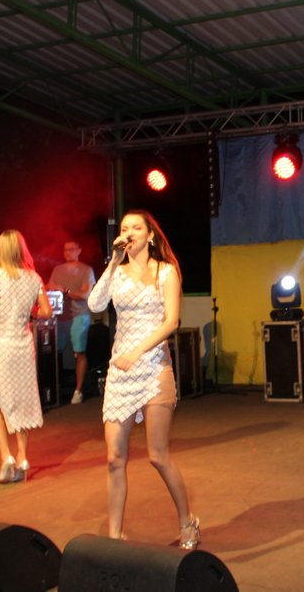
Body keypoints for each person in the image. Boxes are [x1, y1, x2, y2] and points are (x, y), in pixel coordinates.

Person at [87, 209, 199, 548]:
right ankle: (114, 536)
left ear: (150, 235)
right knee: (114, 458)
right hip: (122, 373)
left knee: (157, 455)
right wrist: (112, 262)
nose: (129, 233)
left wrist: (137, 351)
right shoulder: (117, 272)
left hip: (153, 368)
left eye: (136, 227)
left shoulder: (166, 271)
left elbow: (171, 322)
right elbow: (95, 305)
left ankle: (187, 521)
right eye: (125, 228)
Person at [0, 230, 53, 484]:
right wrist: (30, 313)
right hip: (23, 345)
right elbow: (46, 311)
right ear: (22, 250)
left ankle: (6, 456)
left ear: (0, 250)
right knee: (21, 402)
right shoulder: (34, 278)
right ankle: (22, 457)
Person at [47, 239, 95, 404]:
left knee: (79, 352)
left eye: (72, 249)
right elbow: (49, 287)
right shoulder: (57, 269)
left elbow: (85, 295)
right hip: (60, 316)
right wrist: (52, 288)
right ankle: (54, 388)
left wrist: (66, 291)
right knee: (53, 352)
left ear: (79, 250)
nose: (68, 252)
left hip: (79, 315)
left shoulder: (86, 270)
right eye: (65, 250)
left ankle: (78, 391)